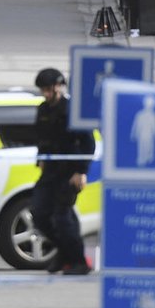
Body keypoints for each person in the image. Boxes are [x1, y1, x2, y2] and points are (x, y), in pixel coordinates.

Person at [29, 67, 94, 275]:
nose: (46, 94)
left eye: (49, 89)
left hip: (70, 172)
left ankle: (79, 262)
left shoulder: (73, 110)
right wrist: (41, 160)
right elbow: (41, 138)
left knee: (62, 218)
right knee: (39, 214)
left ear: (59, 86)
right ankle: (65, 252)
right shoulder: (43, 110)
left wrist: (81, 171)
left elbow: (88, 143)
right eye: (43, 90)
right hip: (50, 172)